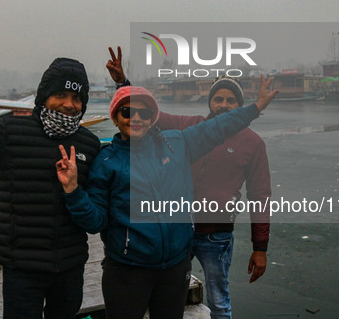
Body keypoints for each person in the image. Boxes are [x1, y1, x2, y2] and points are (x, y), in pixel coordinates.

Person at [56, 79, 277, 318]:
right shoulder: (106, 162)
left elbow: (220, 126)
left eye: (145, 112)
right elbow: (95, 222)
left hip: (174, 268)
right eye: (128, 111)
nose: (136, 118)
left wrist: (255, 108)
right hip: (127, 270)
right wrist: (73, 189)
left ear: (153, 118)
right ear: (115, 117)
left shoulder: (177, 143)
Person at [107, 47, 272, 319]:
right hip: (178, 233)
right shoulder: (189, 127)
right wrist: (123, 84)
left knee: (219, 300)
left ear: (239, 105)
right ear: (210, 101)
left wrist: (260, 248)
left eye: (231, 100)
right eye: (218, 98)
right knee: (170, 294)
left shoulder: (252, 143)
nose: (224, 104)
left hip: (216, 237)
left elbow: (260, 195)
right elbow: (149, 114)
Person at [0, 58, 101, 319]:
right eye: (60, 94)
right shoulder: (10, 132)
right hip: (22, 268)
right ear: (44, 96)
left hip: (70, 267)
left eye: (76, 97)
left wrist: (73, 189)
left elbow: (95, 217)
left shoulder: (89, 145)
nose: (69, 104)